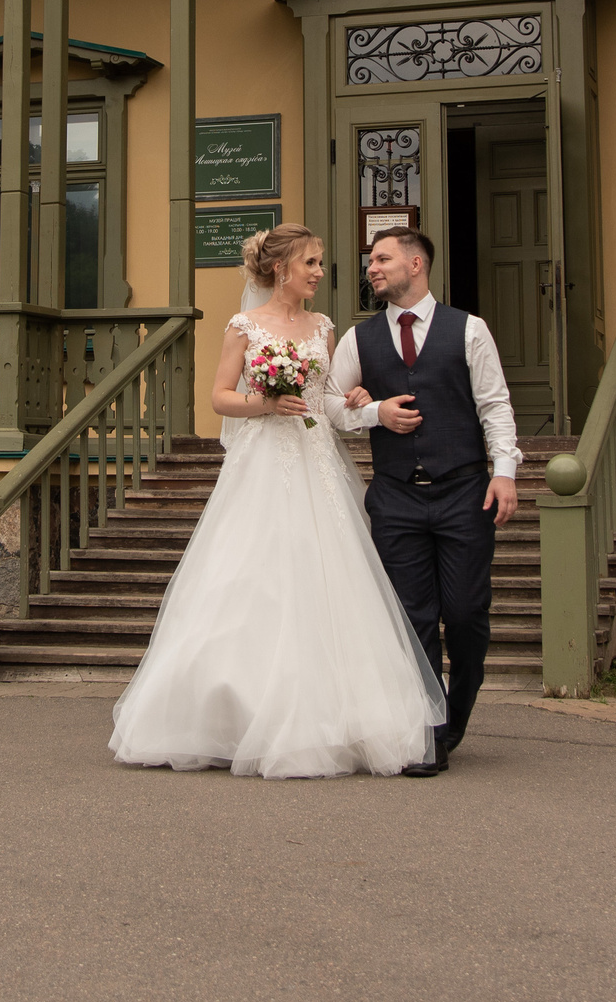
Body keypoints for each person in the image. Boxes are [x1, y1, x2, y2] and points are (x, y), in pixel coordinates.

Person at [108, 224, 446, 779]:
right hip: (263, 462)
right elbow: (220, 397)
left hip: (317, 462)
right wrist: (264, 403)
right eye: (310, 263)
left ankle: (335, 718)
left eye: (319, 262)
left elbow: (330, 400)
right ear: (278, 268)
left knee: (329, 581)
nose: (319, 272)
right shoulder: (245, 325)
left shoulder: (323, 327)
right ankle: (230, 718)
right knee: (251, 577)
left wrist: (357, 400)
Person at [327, 227, 519, 777]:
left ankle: (455, 714)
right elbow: (327, 408)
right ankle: (427, 735)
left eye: (383, 258)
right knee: (412, 619)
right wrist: (372, 413)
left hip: (463, 492)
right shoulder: (358, 341)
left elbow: (495, 406)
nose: (372, 268)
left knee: (464, 616)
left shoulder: (469, 330)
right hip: (394, 499)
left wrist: (503, 473)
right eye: (370, 261)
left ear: (417, 264)